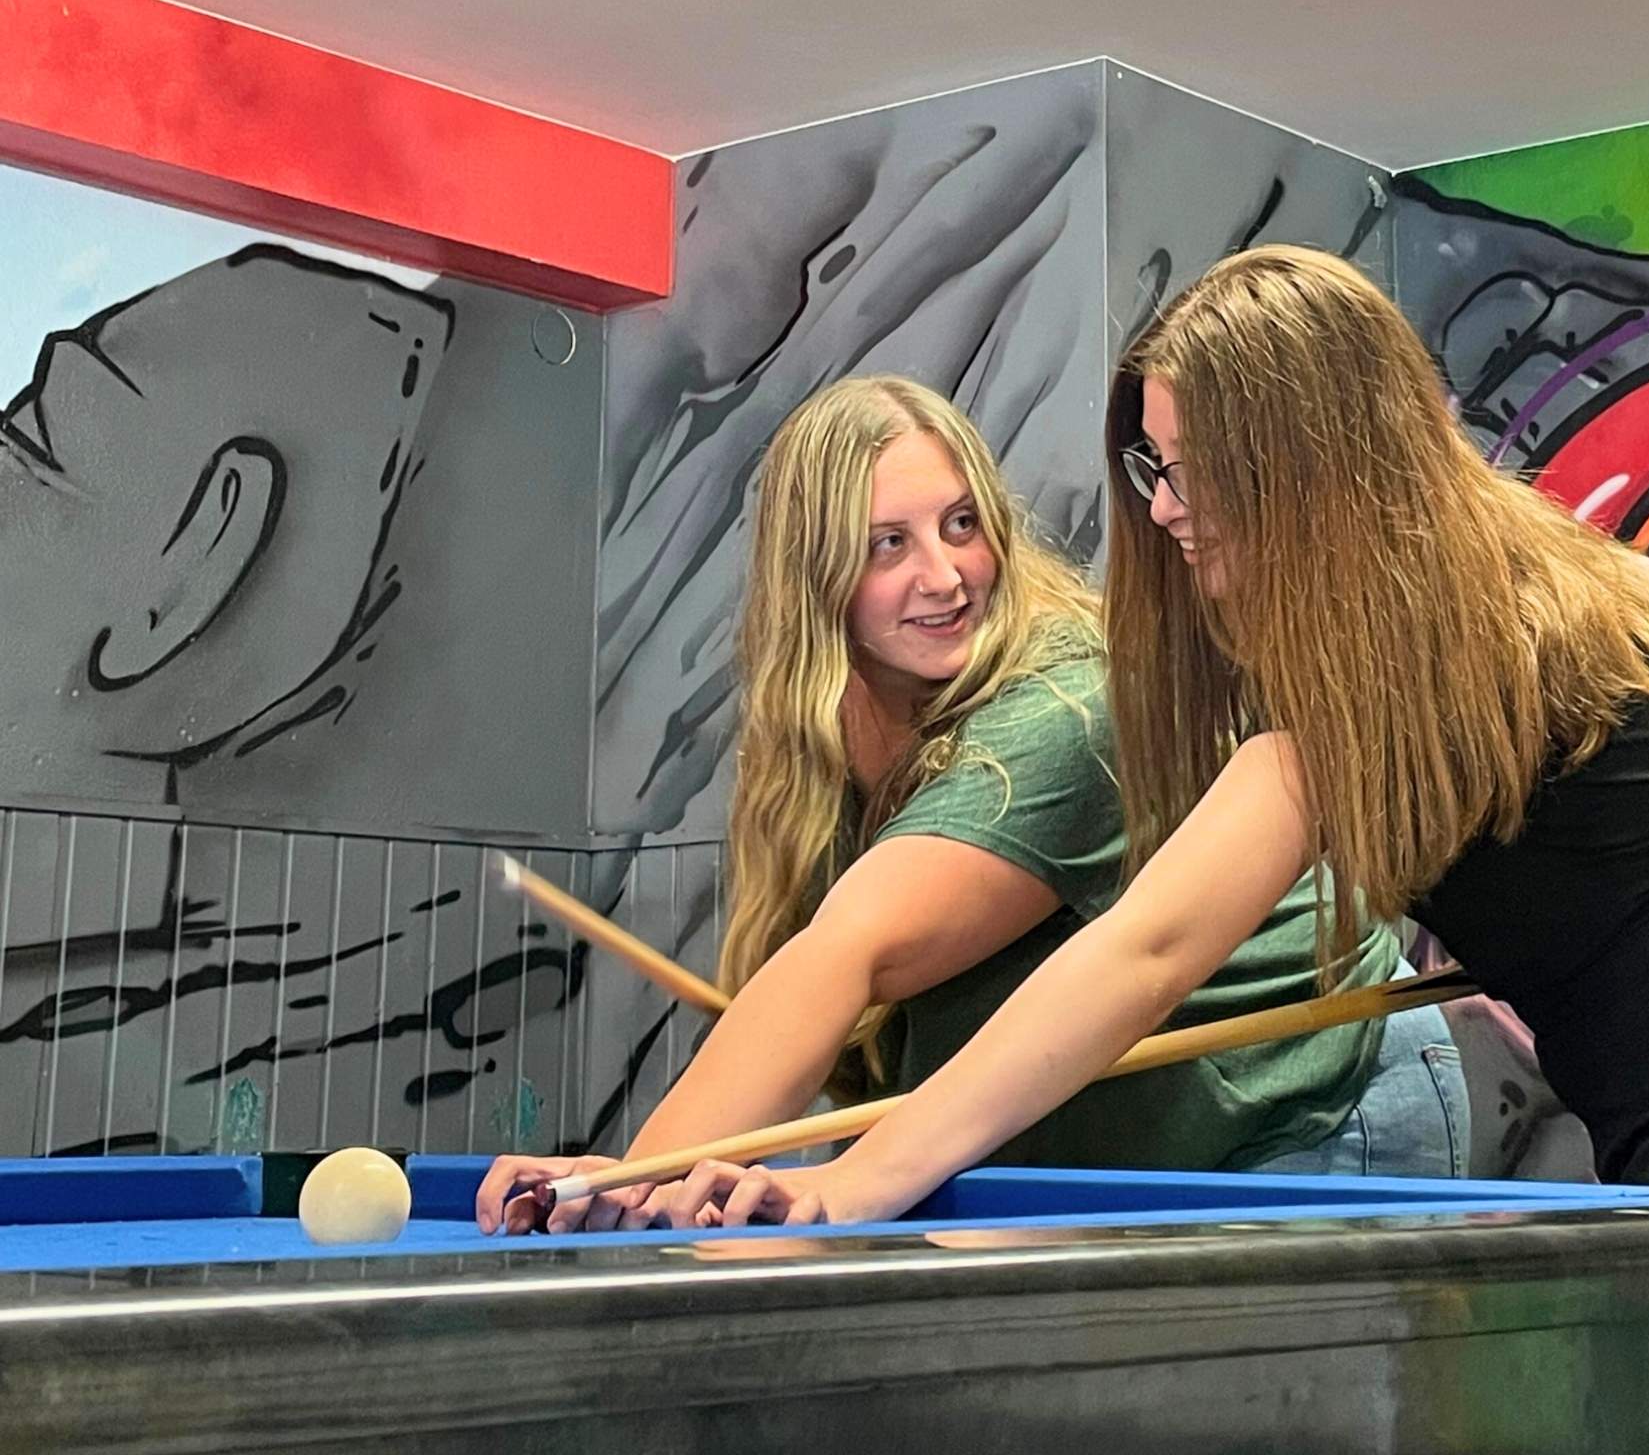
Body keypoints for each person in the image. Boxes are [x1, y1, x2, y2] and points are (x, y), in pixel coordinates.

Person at [651, 249, 1649, 1228]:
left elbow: (1140, 955)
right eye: (1151, 467)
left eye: (1188, 467)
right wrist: (1592, 890)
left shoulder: (1362, 702)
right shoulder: (1503, 576)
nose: (1163, 508)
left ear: (1297, 460)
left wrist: (858, 1182)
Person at [477, 373, 1468, 1235]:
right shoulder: (830, 754)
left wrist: (632, 1182)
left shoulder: (1071, 708)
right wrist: (641, 1178)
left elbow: (854, 951)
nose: (945, 576)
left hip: (1312, 1108)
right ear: (816, 575)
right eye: (887, 545)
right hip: (1149, 1137)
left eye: (962, 525)